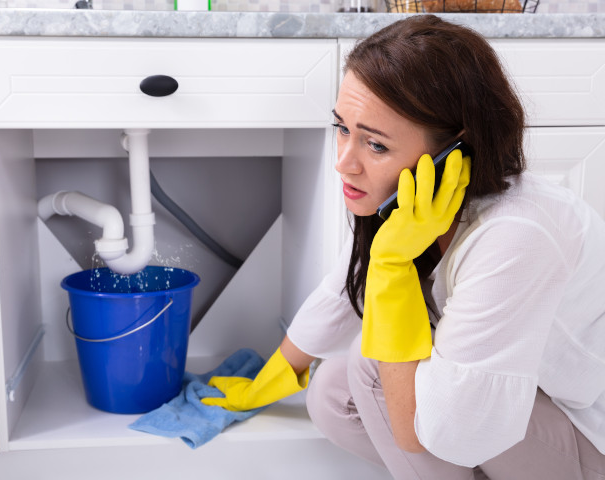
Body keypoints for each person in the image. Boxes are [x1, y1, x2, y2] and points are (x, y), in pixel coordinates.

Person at [202, 14, 605, 480]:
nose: (344, 163)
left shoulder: (518, 234)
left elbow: (432, 434)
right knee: (332, 392)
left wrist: (392, 266)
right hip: (512, 412)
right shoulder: (419, 206)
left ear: (453, 153)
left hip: (584, 437)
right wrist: (266, 381)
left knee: (373, 365)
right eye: (343, 128)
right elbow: (342, 293)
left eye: (375, 145)